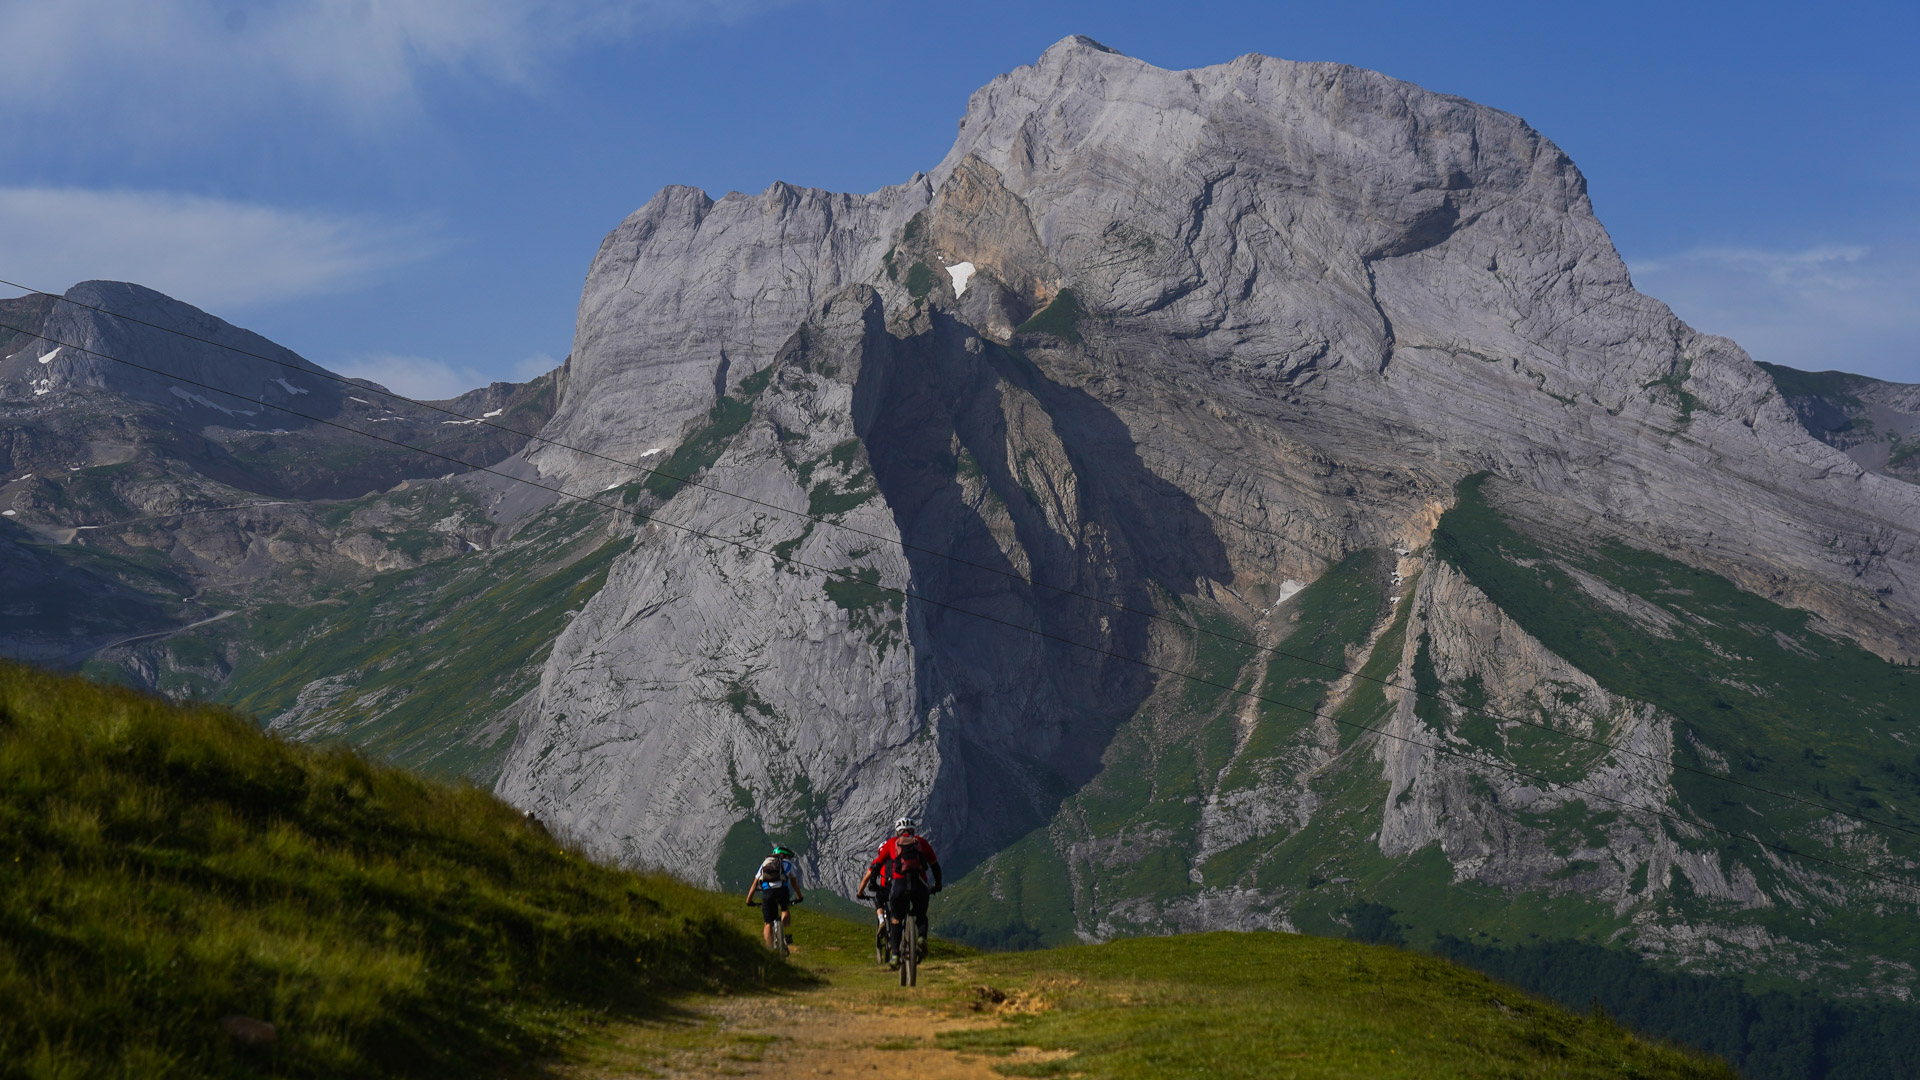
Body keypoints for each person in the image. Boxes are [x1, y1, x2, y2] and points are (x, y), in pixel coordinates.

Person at [856, 816, 941, 967]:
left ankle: (895, 954)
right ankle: (921, 938)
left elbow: (877, 866)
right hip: (919, 884)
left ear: (897, 832)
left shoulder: (891, 844)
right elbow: (935, 866)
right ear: (913, 831)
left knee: (896, 919)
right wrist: (937, 884)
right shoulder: (921, 842)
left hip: (899, 885)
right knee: (921, 915)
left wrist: (874, 883)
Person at [744, 845, 803, 949]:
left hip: (767, 893)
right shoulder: (788, 863)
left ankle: (769, 949)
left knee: (768, 923)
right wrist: (799, 897)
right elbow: (794, 883)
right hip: (782, 891)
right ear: (784, 855)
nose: (789, 859)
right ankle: (787, 934)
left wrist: (748, 901)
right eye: (788, 856)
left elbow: (754, 885)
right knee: (784, 910)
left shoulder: (765, 863)